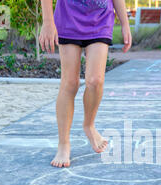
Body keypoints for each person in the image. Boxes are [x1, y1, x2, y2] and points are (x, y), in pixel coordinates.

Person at [39, 0, 132, 167]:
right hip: (68, 18)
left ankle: (89, 125)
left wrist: (124, 23)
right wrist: (47, 22)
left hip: (101, 18)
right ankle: (63, 144)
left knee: (95, 80)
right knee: (70, 83)